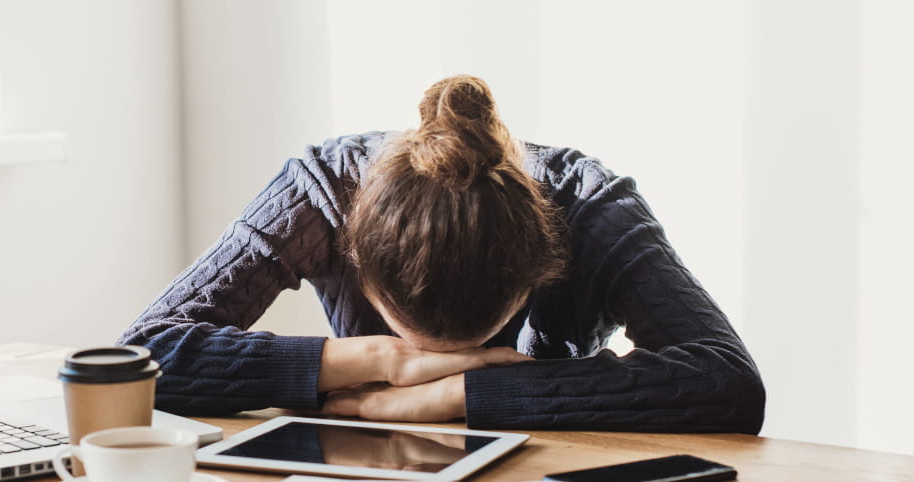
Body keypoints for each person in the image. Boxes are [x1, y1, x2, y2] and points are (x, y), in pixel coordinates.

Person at [118, 75, 765, 433]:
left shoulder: (587, 203)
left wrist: (462, 395)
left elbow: (727, 380)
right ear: (355, 251)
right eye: (422, 344)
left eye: (466, 346)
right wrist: (382, 360)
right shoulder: (323, 188)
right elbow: (139, 357)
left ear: (544, 258)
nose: (439, 362)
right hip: (376, 469)